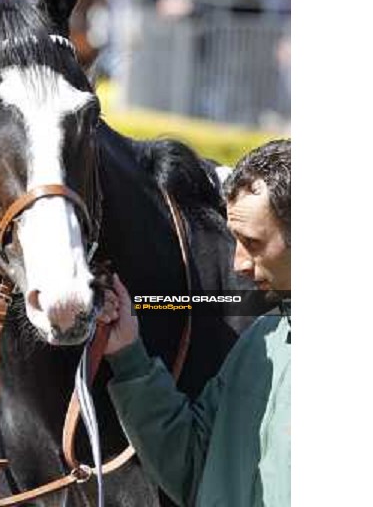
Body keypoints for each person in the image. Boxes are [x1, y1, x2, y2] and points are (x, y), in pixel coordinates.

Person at [99, 138, 291, 506]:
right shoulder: (259, 342)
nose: (238, 265)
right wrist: (128, 355)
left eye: (253, 242)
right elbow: (193, 465)